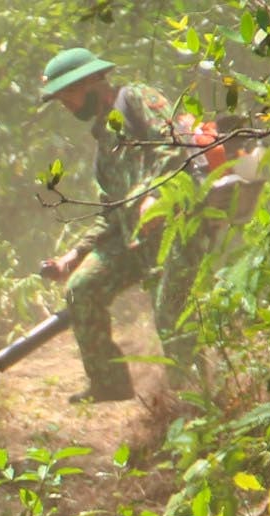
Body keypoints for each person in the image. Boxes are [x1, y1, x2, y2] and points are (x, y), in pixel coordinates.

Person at [36, 48, 212, 403]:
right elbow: (111, 213)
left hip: (181, 220)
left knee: (170, 313)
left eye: (68, 93)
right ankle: (109, 383)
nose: (66, 105)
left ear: (91, 81)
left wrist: (155, 194)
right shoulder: (104, 143)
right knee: (82, 286)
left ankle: (195, 403)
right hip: (139, 238)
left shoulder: (136, 98)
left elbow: (172, 146)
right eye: (60, 99)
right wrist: (75, 254)